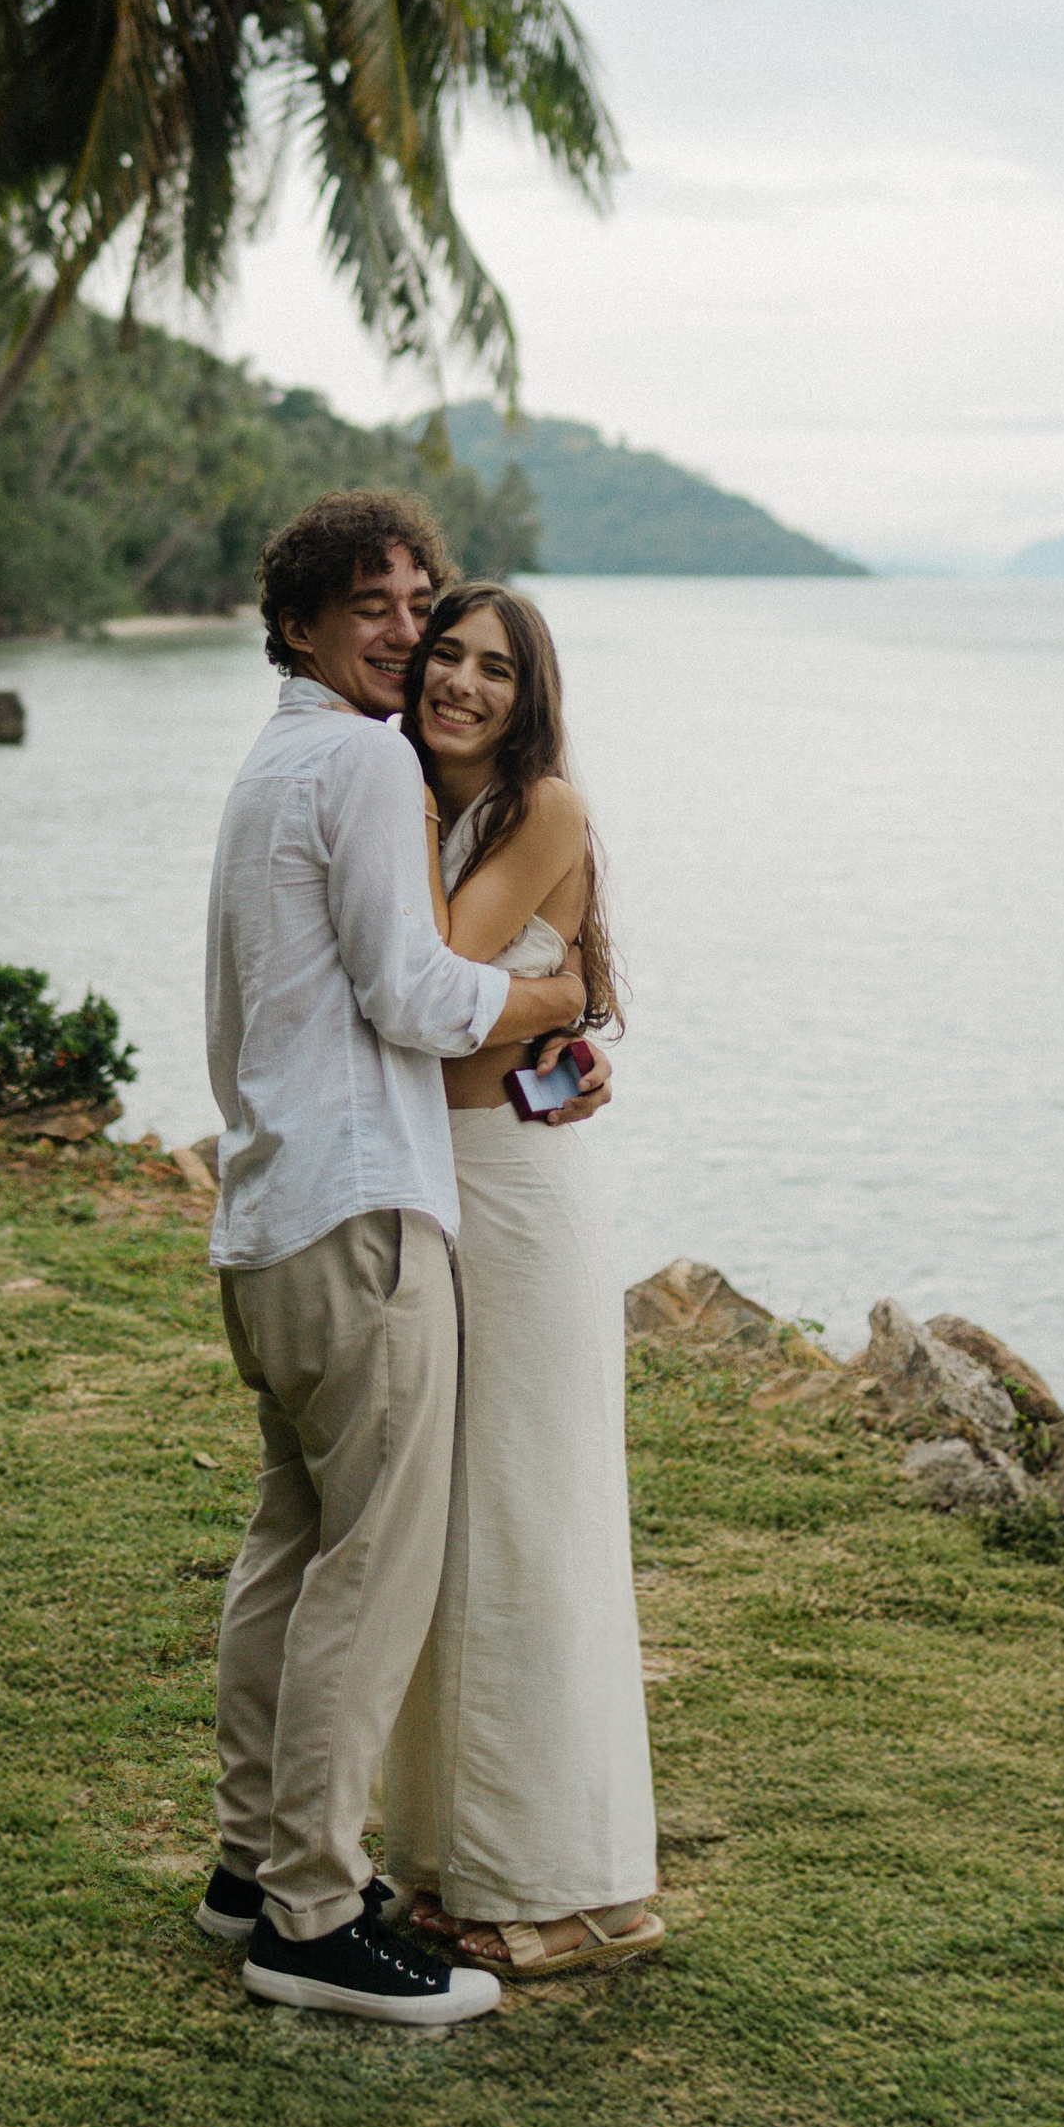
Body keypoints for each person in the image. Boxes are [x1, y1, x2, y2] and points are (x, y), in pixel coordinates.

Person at [195, 492, 599, 2027]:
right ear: (298, 623)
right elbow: (416, 989)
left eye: (417, 598)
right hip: (360, 1219)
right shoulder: (363, 756)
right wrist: (546, 991)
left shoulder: (271, 759)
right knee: (373, 1566)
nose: (406, 628)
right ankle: (307, 1907)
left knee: (291, 1546)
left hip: (269, 1212)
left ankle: (252, 1863)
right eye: (371, 602)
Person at [380, 579, 664, 1977]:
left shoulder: (538, 804)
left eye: (497, 668)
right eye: (447, 656)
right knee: (456, 1525)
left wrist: (553, 1008)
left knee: (532, 1518)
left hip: (522, 1191)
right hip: (451, 1183)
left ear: (529, 692)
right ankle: (458, 1859)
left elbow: (431, 971)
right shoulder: (424, 801)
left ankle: (573, 1890)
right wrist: (556, 1007)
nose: (465, 685)